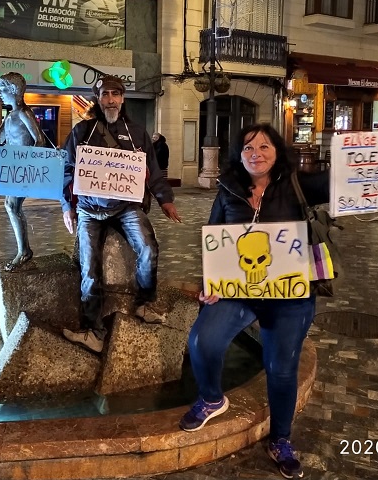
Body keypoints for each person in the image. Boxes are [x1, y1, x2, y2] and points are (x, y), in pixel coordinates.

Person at [179, 122, 329, 479]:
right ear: (238, 155)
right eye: (248, 147)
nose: (255, 154)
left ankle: (280, 439)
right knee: (203, 340)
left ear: (277, 152)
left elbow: (347, 182)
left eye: (264, 147)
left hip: (289, 295)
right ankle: (213, 398)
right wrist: (209, 283)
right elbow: (214, 241)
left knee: (281, 368)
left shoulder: (297, 186)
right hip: (238, 292)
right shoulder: (228, 190)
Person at [60, 75, 182, 354]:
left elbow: (152, 169)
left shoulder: (138, 133)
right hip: (89, 210)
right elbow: (66, 170)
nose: (111, 99)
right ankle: (93, 330)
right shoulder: (81, 132)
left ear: (123, 99)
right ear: (98, 99)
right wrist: (67, 206)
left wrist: (165, 200)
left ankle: (143, 303)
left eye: (116, 94)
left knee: (149, 248)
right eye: (105, 94)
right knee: (89, 270)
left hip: (126, 207)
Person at [0, 72, 45, 270]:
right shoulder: (11, 115)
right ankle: (24, 250)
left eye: (2, 89)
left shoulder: (23, 113)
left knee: (12, 206)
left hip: (22, 168)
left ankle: (24, 252)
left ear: (13, 90)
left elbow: (40, 140)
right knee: (11, 205)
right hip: (14, 168)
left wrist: (29, 162)